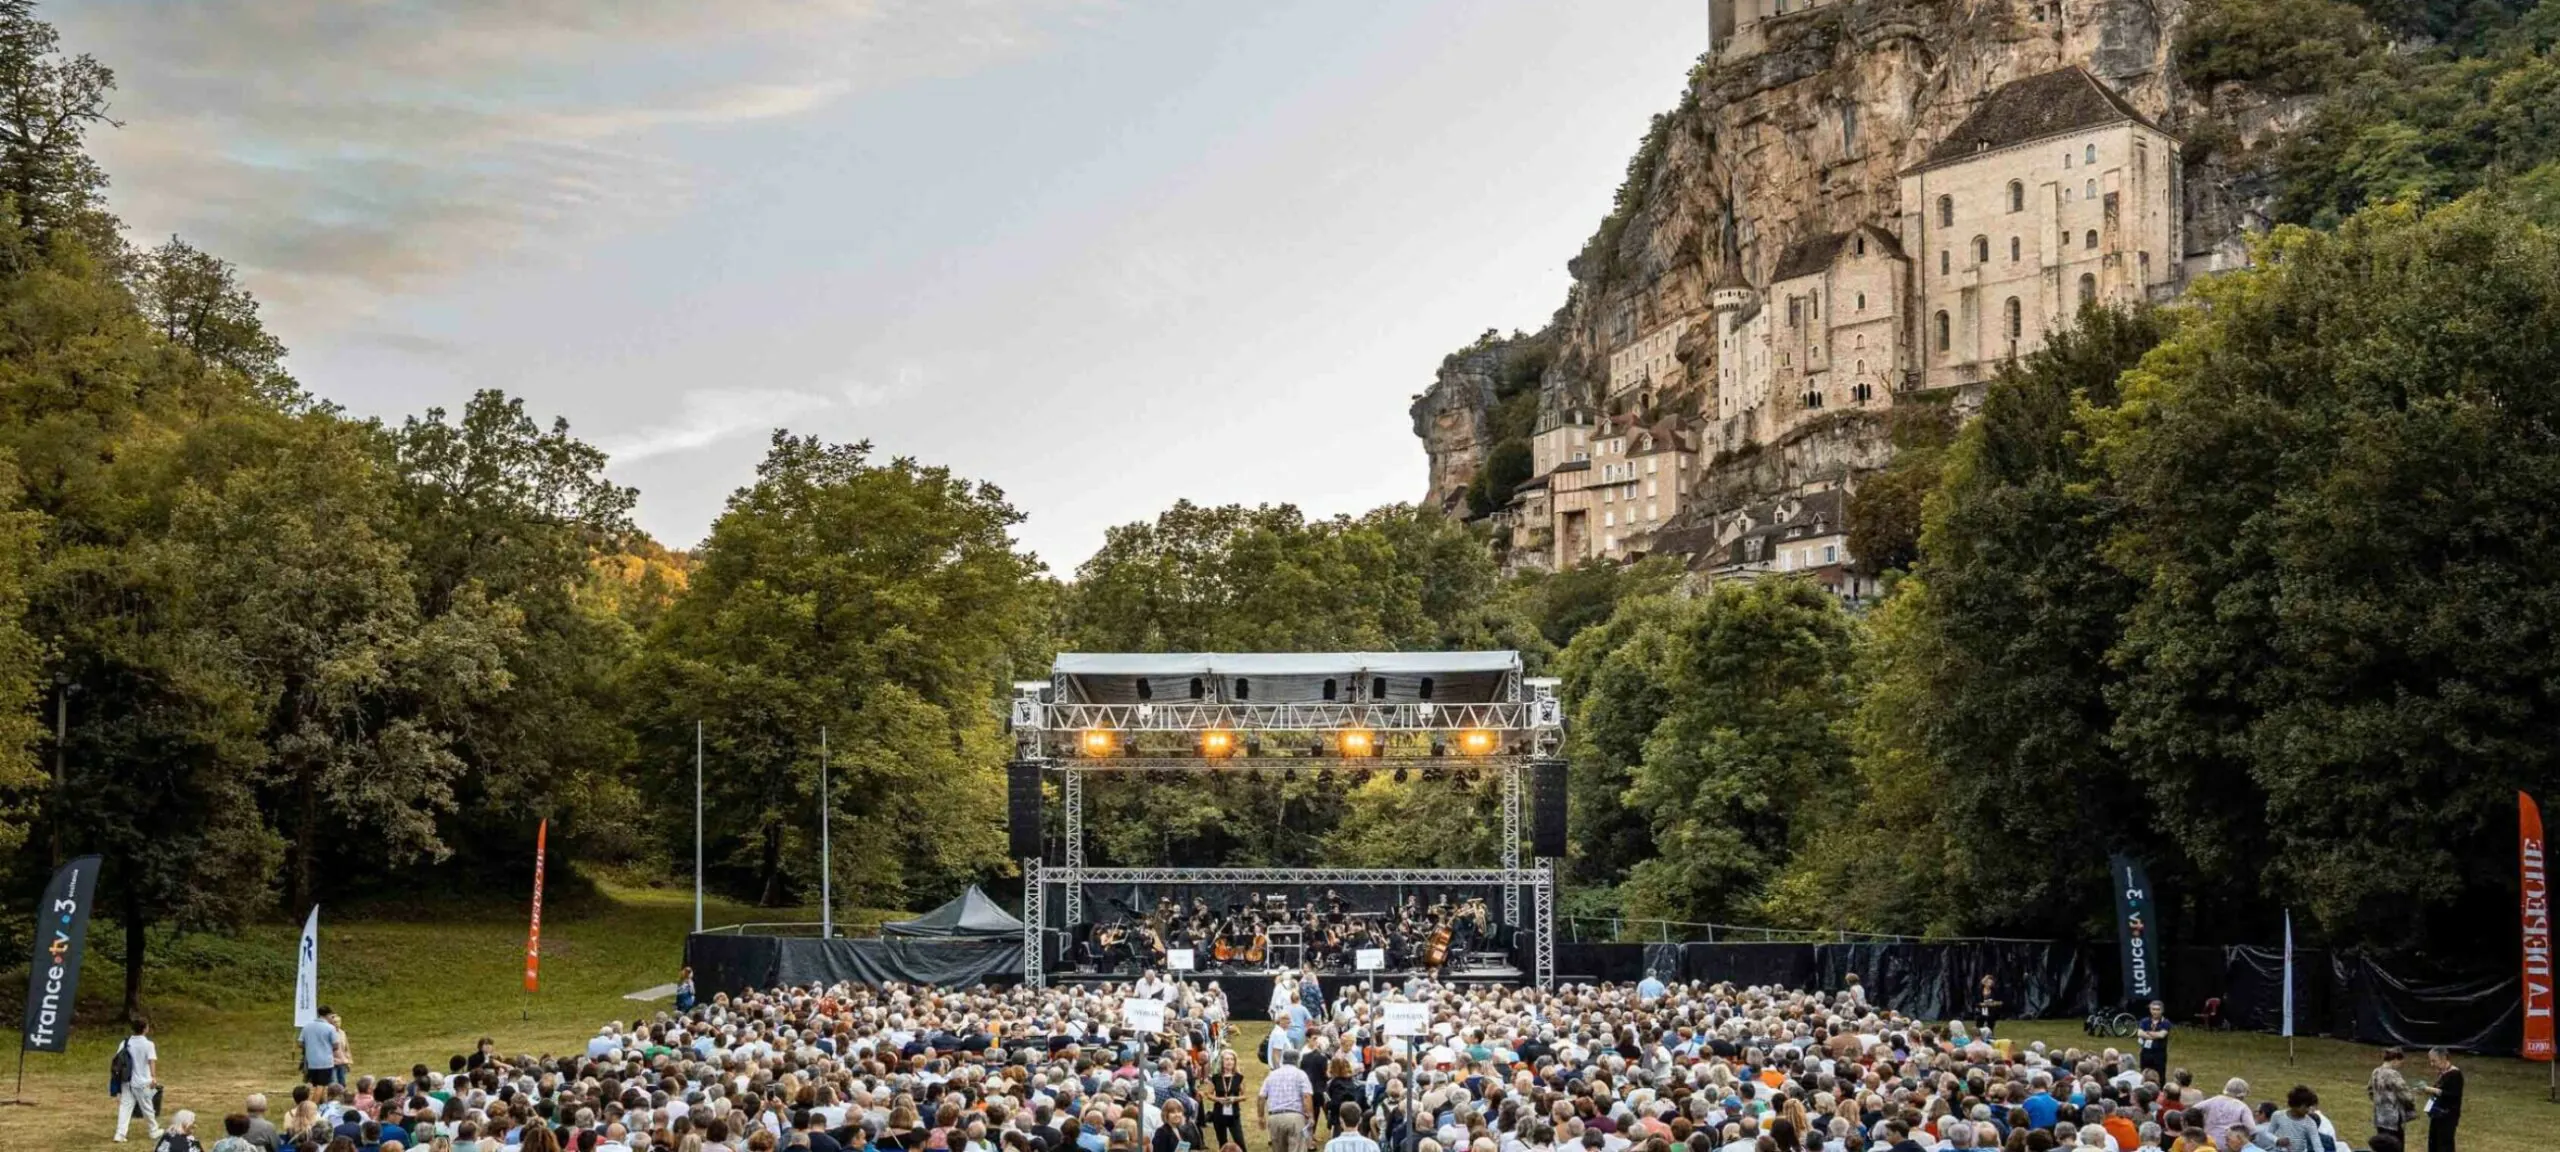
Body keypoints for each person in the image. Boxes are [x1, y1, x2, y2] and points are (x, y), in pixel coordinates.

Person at [1257, 1048, 1318, 1152]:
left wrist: (1261, 1116)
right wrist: (1310, 1116)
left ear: (1283, 1060)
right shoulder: (1301, 1074)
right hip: (1295, 1117)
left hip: (1275, 1117)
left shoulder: (1272, 1075)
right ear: (1297, 1060)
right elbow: (1306, 1096)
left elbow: (1261, 1096)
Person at [115, 1016, 163, 1143]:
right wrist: (153, 1077)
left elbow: (118, 1060)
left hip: (127, 1081)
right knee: (147, 1107)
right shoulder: (148, 1044)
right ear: (145, 1029)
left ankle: (120, 1134)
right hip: (142, 1082)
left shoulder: (124, 1043)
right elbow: (151, 1061)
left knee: (125, 1107)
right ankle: (153, 1130)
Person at [2416, 1048, 2461, 1152]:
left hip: (2447, 1115)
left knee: (2444, 1145)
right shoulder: (2443, 1073)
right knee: (2433, 1143)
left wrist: (2431, 1089)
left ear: (2444, 1058)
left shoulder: (2455, 1074)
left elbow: (2452, 1095)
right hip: (2437, 1113)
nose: (2432, 1064)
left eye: (2434, 1061)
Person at [2367, 1048, 2412, 1148]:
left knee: (2382, 1146)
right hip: (2393, 1119)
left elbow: (2370, 1090)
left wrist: (2378, 1102)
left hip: (2379, 1117)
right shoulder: (2393, 1074)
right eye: (2400, 1063)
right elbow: (2405, 1095)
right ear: (2395, 1060)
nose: (2400, 1066)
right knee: (2395, 1146)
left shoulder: (2375, 1072)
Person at [2252, 1088, 2321, 1152]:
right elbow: (2269, 1133)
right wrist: (2277, 1140)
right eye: (2307, 1107)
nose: (2308, 1110)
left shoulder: (2310, 1123)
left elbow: (2317, 1146)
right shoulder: (2278, 1115)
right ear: (2296, 1105)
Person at [1204, 1050, 1245, 1151]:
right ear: (1222, 1061)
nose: (1229, 1062)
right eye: (1227, 1059)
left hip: (1234, 1114)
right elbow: (1208, 1094)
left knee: (1239, 1141)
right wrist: (1219, 1099)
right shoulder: (1215, 1078)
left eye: (1232, 1059)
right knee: (1222, 1143)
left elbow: (1244, 1096)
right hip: (1219, 1114)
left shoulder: (1239, 1077)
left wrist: (1234, 1099)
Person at [299, 1008, 340, 1089]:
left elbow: (300, 1043)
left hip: (311, 1062)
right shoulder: (330, 1028)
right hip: (326, 1062)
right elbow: (336, 1045)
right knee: (325, 1086)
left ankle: (315, 1100)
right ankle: (322, 1100)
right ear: (327, 1015)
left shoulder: (307, 1026)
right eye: (332, 1017)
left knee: (315, 1086)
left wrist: (310, 1047)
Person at [2136, 1002, 2171, 1079]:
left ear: (2162, 1010)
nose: (2155, 1012)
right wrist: (2155, 1035)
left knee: (2160, 1075)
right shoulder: (2144, 1021)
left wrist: (2147, 1033)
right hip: (2145, 1052)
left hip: (2159, 1053)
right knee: (2144, 1073)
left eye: (2158, 1009)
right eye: (2153, 1009)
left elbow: (2162, 1035)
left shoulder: (2165, 1022)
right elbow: (2139, 1033)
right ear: (2150, 1010)